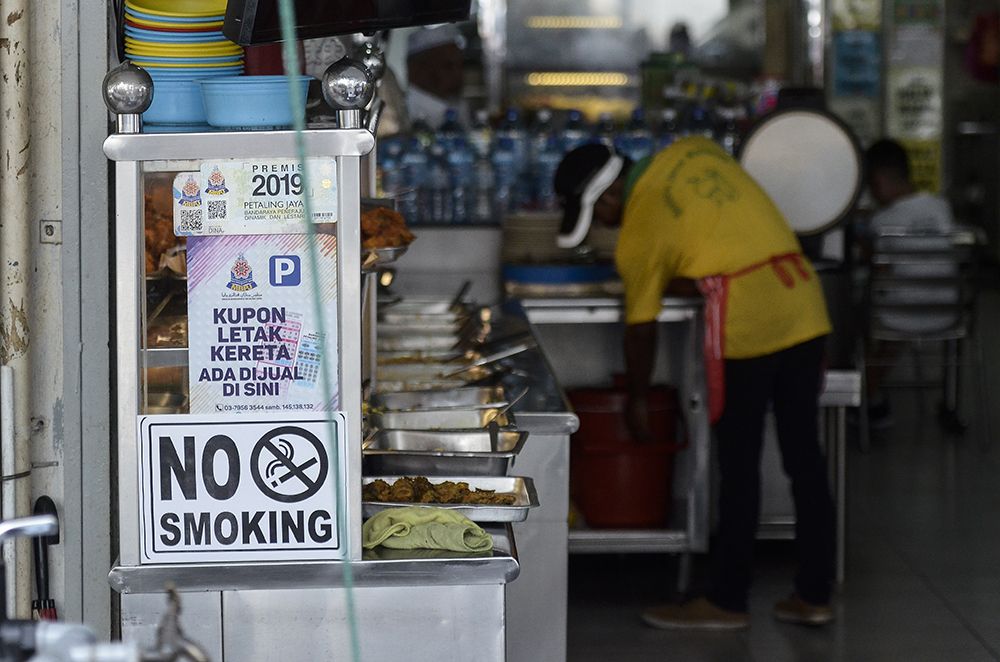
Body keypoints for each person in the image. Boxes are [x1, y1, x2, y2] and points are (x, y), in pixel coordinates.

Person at [554, 138, 836, 629]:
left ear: (608, 199)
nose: (605, 227)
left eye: (598, 216)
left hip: (747, 323)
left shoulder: (639, 228)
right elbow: (718, 238)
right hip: (804, 302)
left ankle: (727, 601)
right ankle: (814, 594)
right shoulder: (694, 151)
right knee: (804, 458)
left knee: (740, 465)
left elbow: (639, 329)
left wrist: (638, 400)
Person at [863, 139, 959, 428]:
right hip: (947, 314)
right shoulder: (942, 207)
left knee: (861, 313)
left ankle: (869, 399)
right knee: (904, 300)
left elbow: (878, 270)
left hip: (899, 317)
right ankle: (950, 400)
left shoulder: (881, 221)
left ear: (878, 181)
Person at [405, 24, 468, 128]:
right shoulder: (403, 112)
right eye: (448, 66)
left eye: (461, 65)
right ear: (418, 69)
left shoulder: (459, 105)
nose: (458, 73)